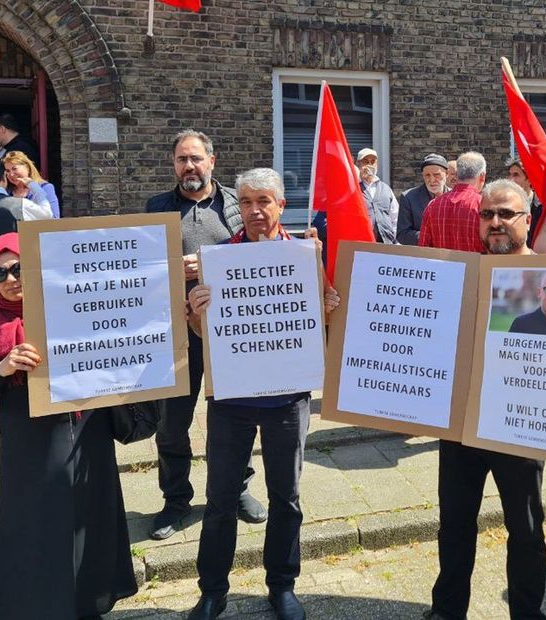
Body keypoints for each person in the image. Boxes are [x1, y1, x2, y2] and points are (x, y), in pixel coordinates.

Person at [184, 168, 340, 620]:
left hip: (288, 400)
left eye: (264, 202)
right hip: (230, 399)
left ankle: (282, 585)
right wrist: (196, 312)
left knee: (286, 496)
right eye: (247, 202)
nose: (255, 210)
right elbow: (202, 334)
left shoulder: (305, 258)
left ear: (280, 205)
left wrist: (329, 306)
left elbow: (323, 324)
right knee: (219, 499)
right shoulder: (219, 258)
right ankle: (212, 590)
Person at [0, 233, 136, 619]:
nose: (10, 278)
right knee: (35, 532)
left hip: (87, 435)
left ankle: (88, 605)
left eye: (19, 267)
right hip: (29, 446)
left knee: (89, 521)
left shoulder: (73, 309)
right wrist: (2, 369)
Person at [422, 178, 546, 620]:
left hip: (519, 426)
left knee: (526, 528)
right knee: (455, 524)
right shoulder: (462, 274)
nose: (495, 223)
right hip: (460, 424)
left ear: (528, 218)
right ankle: (447, 610)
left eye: (506, 214)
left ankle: (526, 613)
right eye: (487, 214)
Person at [144, 129, 263, 541]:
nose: (188, 166)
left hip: (229, 333)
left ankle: (238, 488)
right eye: (181, 159)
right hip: (177, 332)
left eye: (196, 158)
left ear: (213, 160)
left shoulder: (236, 204)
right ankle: (176, 499)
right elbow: (144, 267)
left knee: (234, 421)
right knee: (171, 424)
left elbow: (258, 255)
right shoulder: (156, 208)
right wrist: (175, 268)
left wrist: (212, 263)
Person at [0, 158, 52, 319]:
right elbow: (48, 217)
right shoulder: (21, 205)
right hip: (14, 279)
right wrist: (34, 187)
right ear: (4, 176)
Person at [418, 151, 488, 253]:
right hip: (477, 268)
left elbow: (423, 250)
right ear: (482, 177)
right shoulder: (483, 205)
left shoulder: (433, 205)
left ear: (457, 174)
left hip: (442, 268)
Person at [397, 153, 448, 245]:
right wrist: (430, 237)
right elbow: (402, 234)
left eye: (436, 175)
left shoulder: (455, 197)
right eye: (427, 175)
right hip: (422, 255)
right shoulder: (409, 197)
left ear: (446, 174)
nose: (432, 180)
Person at [355, 148, 399, 244]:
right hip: (361, 242)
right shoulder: (353, 187)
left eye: (373, 162)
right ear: (358, 164)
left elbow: (395, 216)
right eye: (365, 162)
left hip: (386, 243)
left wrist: (394, 238)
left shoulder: (386, 189)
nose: (369, 165)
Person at [2, 150, 59, 218]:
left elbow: (54, 217)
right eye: (7, 171)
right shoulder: (6, 192)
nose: (11, 174)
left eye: (14, 169)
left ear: (27, 167)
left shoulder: (45, 188)